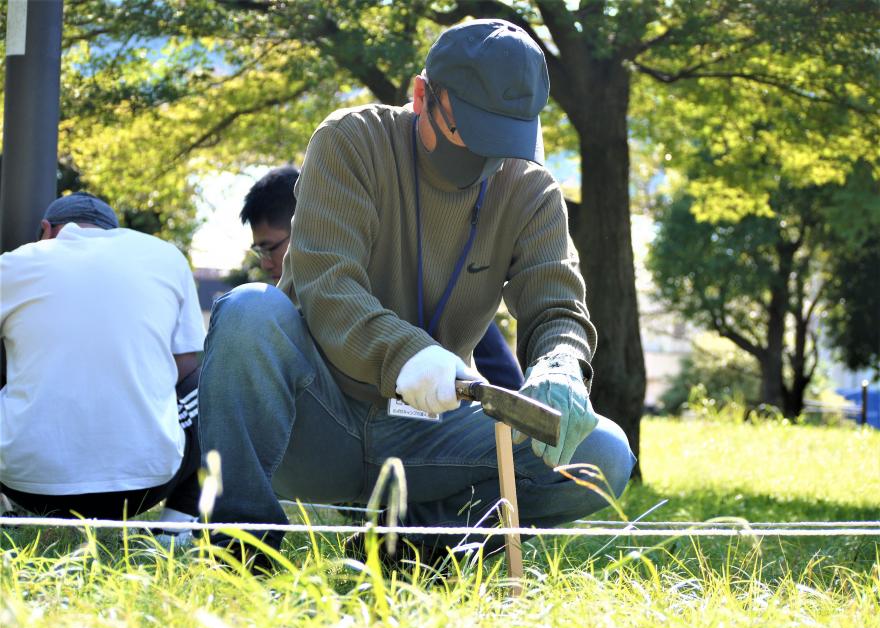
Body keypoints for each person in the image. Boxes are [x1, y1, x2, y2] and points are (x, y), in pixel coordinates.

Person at [200, 18, 635, 560]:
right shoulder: (350, 142)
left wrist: (560, 364)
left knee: (604, 455)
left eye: (503, 141)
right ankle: (241, 548)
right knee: (247, 311)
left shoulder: (530, 189)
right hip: (316, 416)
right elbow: (327, 285)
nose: (483, 160)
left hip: (432, 433)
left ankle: (420, 545)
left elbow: (557, 306)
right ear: (422, 94)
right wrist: (407, 355)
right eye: (468, 133)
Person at [0, 192, 206, 528]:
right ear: (110, 231)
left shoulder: (13, 263)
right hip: (143, 489)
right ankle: (176, 525)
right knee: (207, 384)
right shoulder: (165, 257)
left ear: (45, 229)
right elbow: (185, 367)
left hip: (26, 485)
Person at [240, 165, 523, 389]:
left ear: (307, 224)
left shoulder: (413, 278)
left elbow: (506, 381)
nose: (265, 264)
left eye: (269, 247)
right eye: (259, 251)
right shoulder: (283, 312)